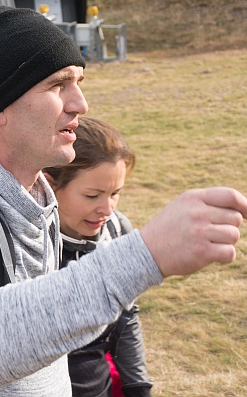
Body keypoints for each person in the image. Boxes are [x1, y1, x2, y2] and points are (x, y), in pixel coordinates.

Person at [0, 6, 247, 397]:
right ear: (0, 106)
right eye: (59, 84)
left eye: (78, 81)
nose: (81, 103)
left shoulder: (36, 195)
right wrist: (147, 255)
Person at [43, 117, 152, 397]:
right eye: (92, 195)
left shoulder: (116, 229)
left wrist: (137, 386)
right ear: (49, 184)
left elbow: (126, 316)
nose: (107, 208)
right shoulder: (25, 242)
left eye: (115, 193)